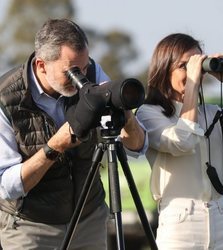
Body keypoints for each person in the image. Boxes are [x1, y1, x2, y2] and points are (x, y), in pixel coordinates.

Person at [0, 18, 146, 250]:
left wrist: (124, 112)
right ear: (41, 65)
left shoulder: (94, 72)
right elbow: (7, 186)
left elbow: (137, 147)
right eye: (71, 71)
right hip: (32, 226)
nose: (81, 77)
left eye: (85, 67)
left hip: (88, 218)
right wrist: (54, 146)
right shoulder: (5, 99)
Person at [136, 33, 223, 249]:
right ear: (164, 68)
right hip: (181, 224)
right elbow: (182, 142)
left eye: (198, 64)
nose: (194, 72)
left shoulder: (212, 112)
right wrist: (192, 83)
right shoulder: (149, 114)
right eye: (184, 66)